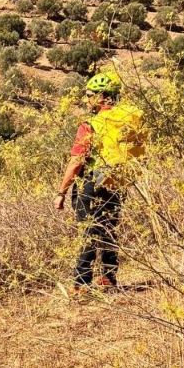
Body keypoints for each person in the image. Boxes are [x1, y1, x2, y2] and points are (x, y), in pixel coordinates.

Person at [54, 73, 145, 292]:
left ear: (102, 96)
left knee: (89, 230)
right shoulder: (128, 118)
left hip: (92, 182)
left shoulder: (91, 124)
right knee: (109, 228)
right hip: (118, 179)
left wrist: (61, 192)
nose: (86, 100)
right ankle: (108, 277)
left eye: (89, 95)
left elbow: (77, 160)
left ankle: (81, 284)